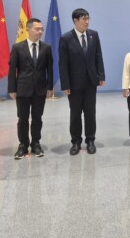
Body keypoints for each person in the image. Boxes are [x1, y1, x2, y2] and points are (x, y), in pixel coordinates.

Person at [59, 8, 105, 155]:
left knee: (90, 113)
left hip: (91, 82)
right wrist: (65, 84)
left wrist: (101, 75)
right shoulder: (66, 38)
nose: (87, 22)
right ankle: (76, 142)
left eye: (88, 18)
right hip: (74, 84)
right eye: (84, 19)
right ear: (75, 21)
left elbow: (98, 56)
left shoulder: (93, 35)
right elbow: (63, 64)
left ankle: (90, 140)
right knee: (75, 114)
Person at [8, 18, 53, 159]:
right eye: (37, 29)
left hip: (40, 89)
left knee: (37, 118)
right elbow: (12, 69)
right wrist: (12, 88)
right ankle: (23, 145)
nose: (40, 31)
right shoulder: (17, 47)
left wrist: (50, 87)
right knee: (23, 118)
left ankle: (35, 144)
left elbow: (50, 69)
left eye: (41, 29)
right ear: (28, 29)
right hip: (23, 89)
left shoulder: (46, 47)